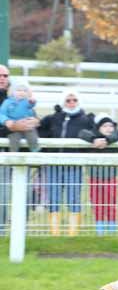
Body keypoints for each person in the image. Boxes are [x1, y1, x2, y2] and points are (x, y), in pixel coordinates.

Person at [38, 90, 95, 236]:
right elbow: (39, 130)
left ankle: (72, 234)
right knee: (54, 198)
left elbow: (97, 133)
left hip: (74, 165)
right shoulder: (53, 118)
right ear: (63, 102)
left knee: (73, 198)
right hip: (53, 165)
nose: (71, 103)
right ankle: (55, 234)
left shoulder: (86, 119)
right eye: (68, 100)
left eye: (74, 100)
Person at [0, 65, 39, 235]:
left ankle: (20, 233)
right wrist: (12, 126)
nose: (2, 78)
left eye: (5, 75)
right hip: (4, 155)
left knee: (24, 194)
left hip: (20, 155)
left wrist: (34, 121)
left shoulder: (17, 95)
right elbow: (9, 124)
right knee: (2, 197)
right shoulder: (7, 102)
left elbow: (33, 117)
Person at [79, 113, 118, 235]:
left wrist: (106, 141)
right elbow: (82, 133)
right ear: (98, 128)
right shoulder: (93, 137)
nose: (108, 128)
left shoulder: (114, 138)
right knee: (97, 205)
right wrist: (94, 140)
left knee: (110, 205)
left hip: (110, 178)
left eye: (110, 125)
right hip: (94, 178)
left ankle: (112, 233)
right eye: (104, 126)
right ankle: (100, 233)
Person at [0, 81, 40, 152]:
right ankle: (13, 154)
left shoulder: (26, 101)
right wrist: (6, 121)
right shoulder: (7, 102)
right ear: (12, 92)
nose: (21, 92)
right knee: (14, 139)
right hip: (13, 125)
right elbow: (2, 113)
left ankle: (35, 150)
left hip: (26, 124)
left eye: (24, 91)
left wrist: (32, 101)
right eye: (18, 90)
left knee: (32, 136)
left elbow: (31, 105)